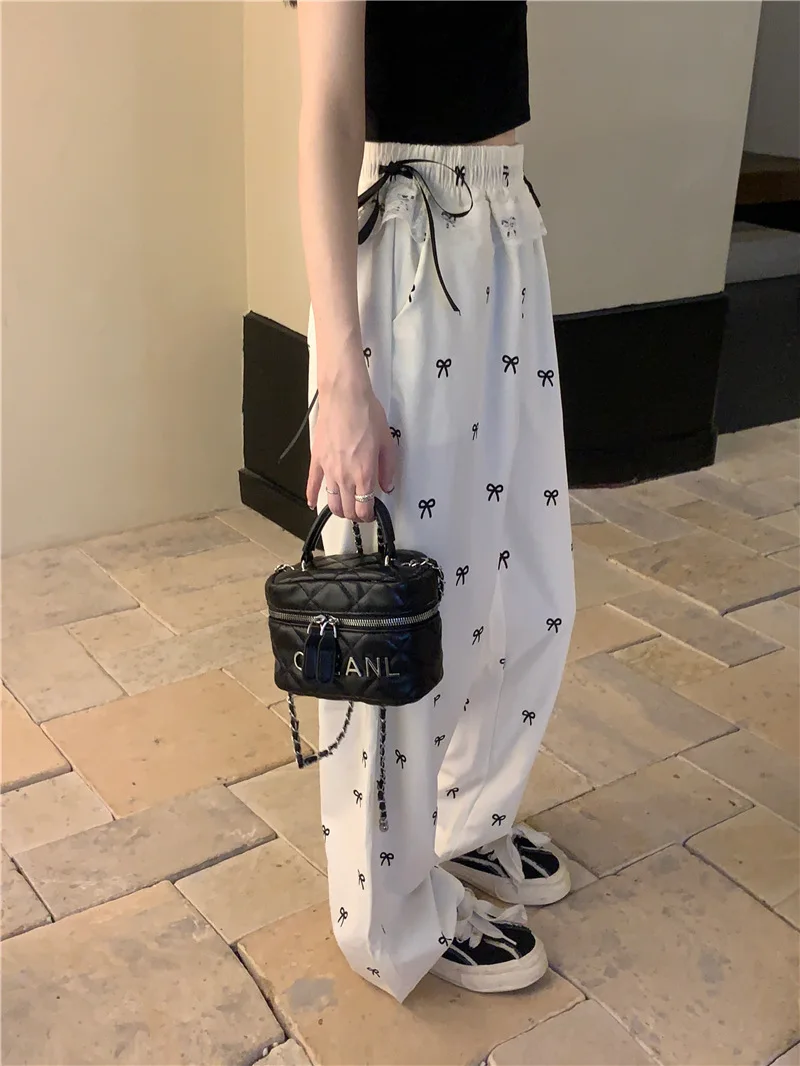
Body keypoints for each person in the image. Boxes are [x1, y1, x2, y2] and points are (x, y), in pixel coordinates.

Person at [288, 0, 576, 1003]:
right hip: (410, 242)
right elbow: (328, 111)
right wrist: (342, 376)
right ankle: (390, 915)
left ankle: (468, 815)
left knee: (530, 586)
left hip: (505, 220)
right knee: (403, 615)